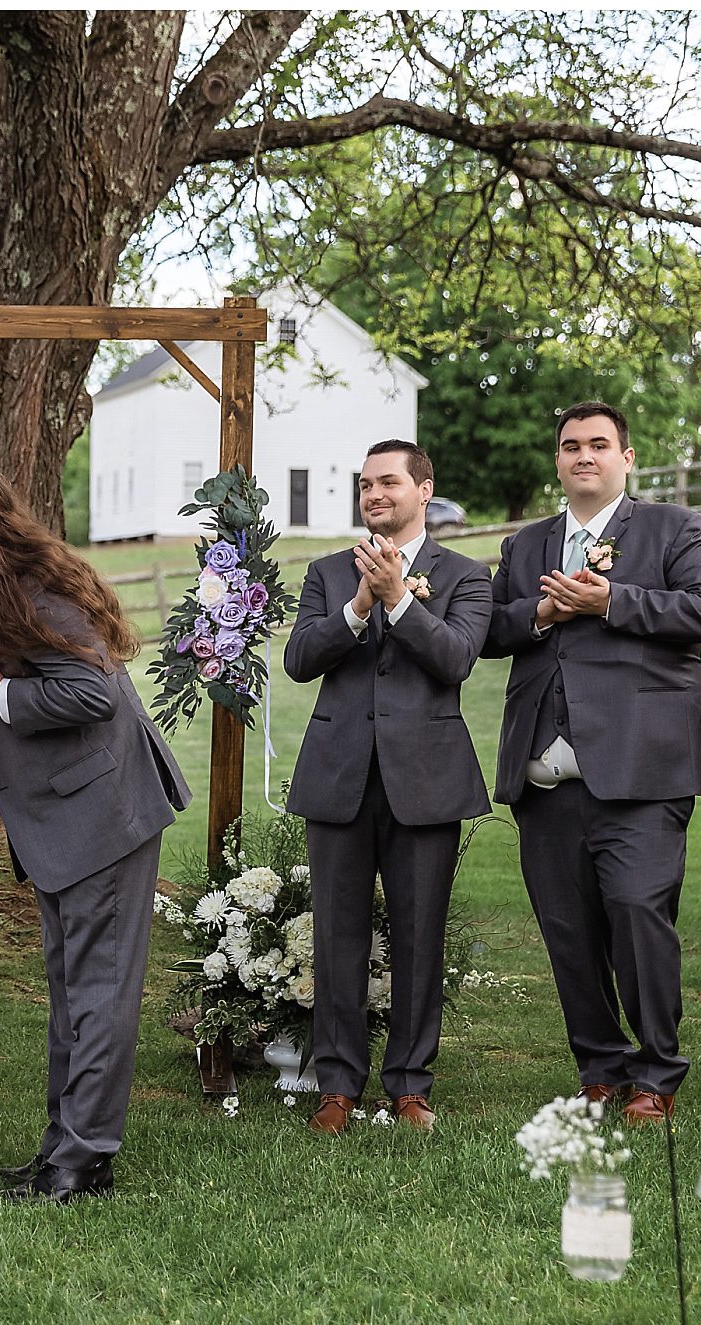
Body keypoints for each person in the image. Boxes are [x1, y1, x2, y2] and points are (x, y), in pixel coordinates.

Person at [0, 448, 189, 1205]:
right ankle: (63, 1148)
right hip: (60, 815)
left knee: (98, 993)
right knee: (70, 990)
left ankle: (85, 1162)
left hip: (102, 810)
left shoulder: (27, 587)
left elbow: (91, 692)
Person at [483, 400, 701, 1125]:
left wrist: (610, 601)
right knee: (567, 929)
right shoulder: (527, 545)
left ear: (627, 458)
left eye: (598, 444)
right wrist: (542, 615)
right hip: (545, 774)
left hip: (641, 771)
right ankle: (600, 1066)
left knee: (637, 915)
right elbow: (492, 631)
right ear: (558, 461)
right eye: (570, 446)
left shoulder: (673, 528)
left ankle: (657, 1072)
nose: (583, 456)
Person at [282, 439, 493, 1135]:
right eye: (366, 485)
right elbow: (300, 659)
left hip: (425, 780)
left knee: (417, 936)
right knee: (337, 937)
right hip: (338, 776)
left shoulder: (464, 573)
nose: (375, 494)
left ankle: (409, 1086)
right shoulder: (325, 572)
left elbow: (456, 659)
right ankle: (337, 1085)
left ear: (423, 490)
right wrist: (355, 608)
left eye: (389, 482)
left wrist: (399, 599)